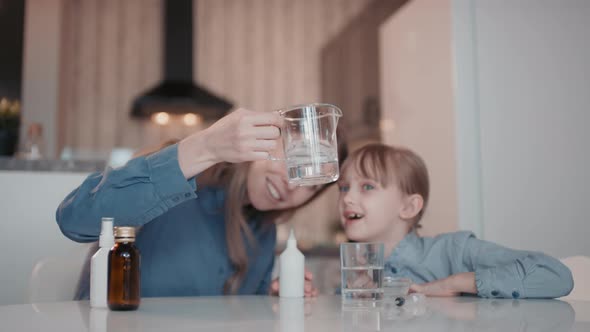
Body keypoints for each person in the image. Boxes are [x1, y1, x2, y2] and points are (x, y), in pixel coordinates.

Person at [57, 108, 345, 298]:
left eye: (311, 184)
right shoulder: (178, 172)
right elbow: (74, 219)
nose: (292, 184)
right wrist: (204, 147)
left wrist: (271, 304)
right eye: (294, 161)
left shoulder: (264, 235)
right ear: (264, 139)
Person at [337, 143, 573, 298]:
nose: (347, 197)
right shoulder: (356, 273)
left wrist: (454, 283)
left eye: (367, 186)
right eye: (344, 187)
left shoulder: (455, 251)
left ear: (409, 207)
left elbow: (555, 275)